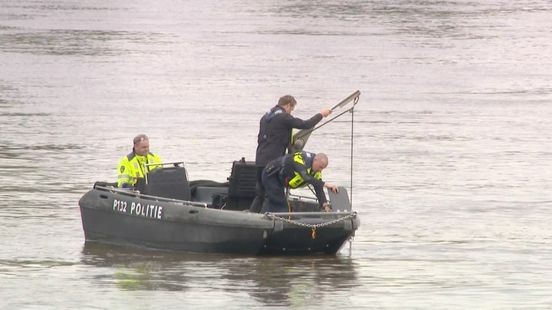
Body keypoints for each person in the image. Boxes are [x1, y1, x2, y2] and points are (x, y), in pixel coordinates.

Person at [248, 95, 332, 212]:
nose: (291, 113)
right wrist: (321, 114)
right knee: (272, 194)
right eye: (291, 109)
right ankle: (267, 221)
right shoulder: (284, 117)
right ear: (288, 105)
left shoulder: (265, 117)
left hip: (260, 158)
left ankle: (252, 217)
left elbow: (267, 137)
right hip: (274, 162)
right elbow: (305, 125)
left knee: (260, 194)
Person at [261, 151, 338, 213]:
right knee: (281, 204)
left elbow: (318, 187)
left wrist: (324, 205)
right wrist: (325, 184)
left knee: (277, 201)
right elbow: (305, 177)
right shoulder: (300, 159)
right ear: (315, 160)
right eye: (320, 167)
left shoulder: (316, 171)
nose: (320, 170)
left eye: (323, 168)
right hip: (271, 175)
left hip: (280, 180)